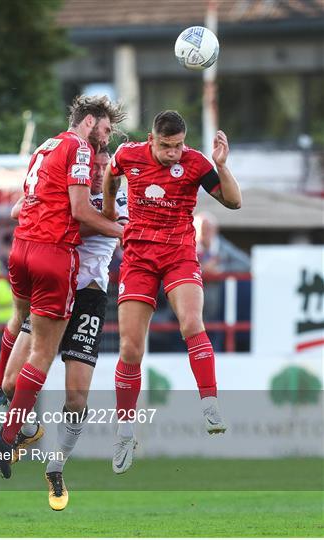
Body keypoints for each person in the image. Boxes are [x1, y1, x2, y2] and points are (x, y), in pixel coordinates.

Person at [0, 95, 126, 480]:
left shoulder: (118, 192)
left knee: (76, 397)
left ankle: (57, 463)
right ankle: (19, 427)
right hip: (56, 271)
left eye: (104, 167)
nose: (98, 170)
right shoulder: (74, 160)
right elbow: (62, 214)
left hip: (89, 292)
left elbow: (53, 214)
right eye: (95, 163)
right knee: (19, 380)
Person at [102, 110, 242, 474]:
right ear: (151, 140)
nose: (174, 153)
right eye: (167, 146)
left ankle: (210, 402)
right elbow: (110, 173)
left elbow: (234, 202)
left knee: (191, 323)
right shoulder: (128, 155)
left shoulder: (195, 163)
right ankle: (124, 431)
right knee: (131, 348)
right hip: (138, 260)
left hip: (179, 255)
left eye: (179, 145)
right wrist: (107, 208)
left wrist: (222, 166)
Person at [194, 212, 251, 350]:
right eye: (200, 228)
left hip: (217, 308)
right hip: (191, 307)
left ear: (215, 230)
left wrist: (221, 269)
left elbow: (246, 264)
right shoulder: (187, 246)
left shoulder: (223, 248)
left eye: (208, 228)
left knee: (215, 343)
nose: (204, 233)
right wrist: (201, 271)